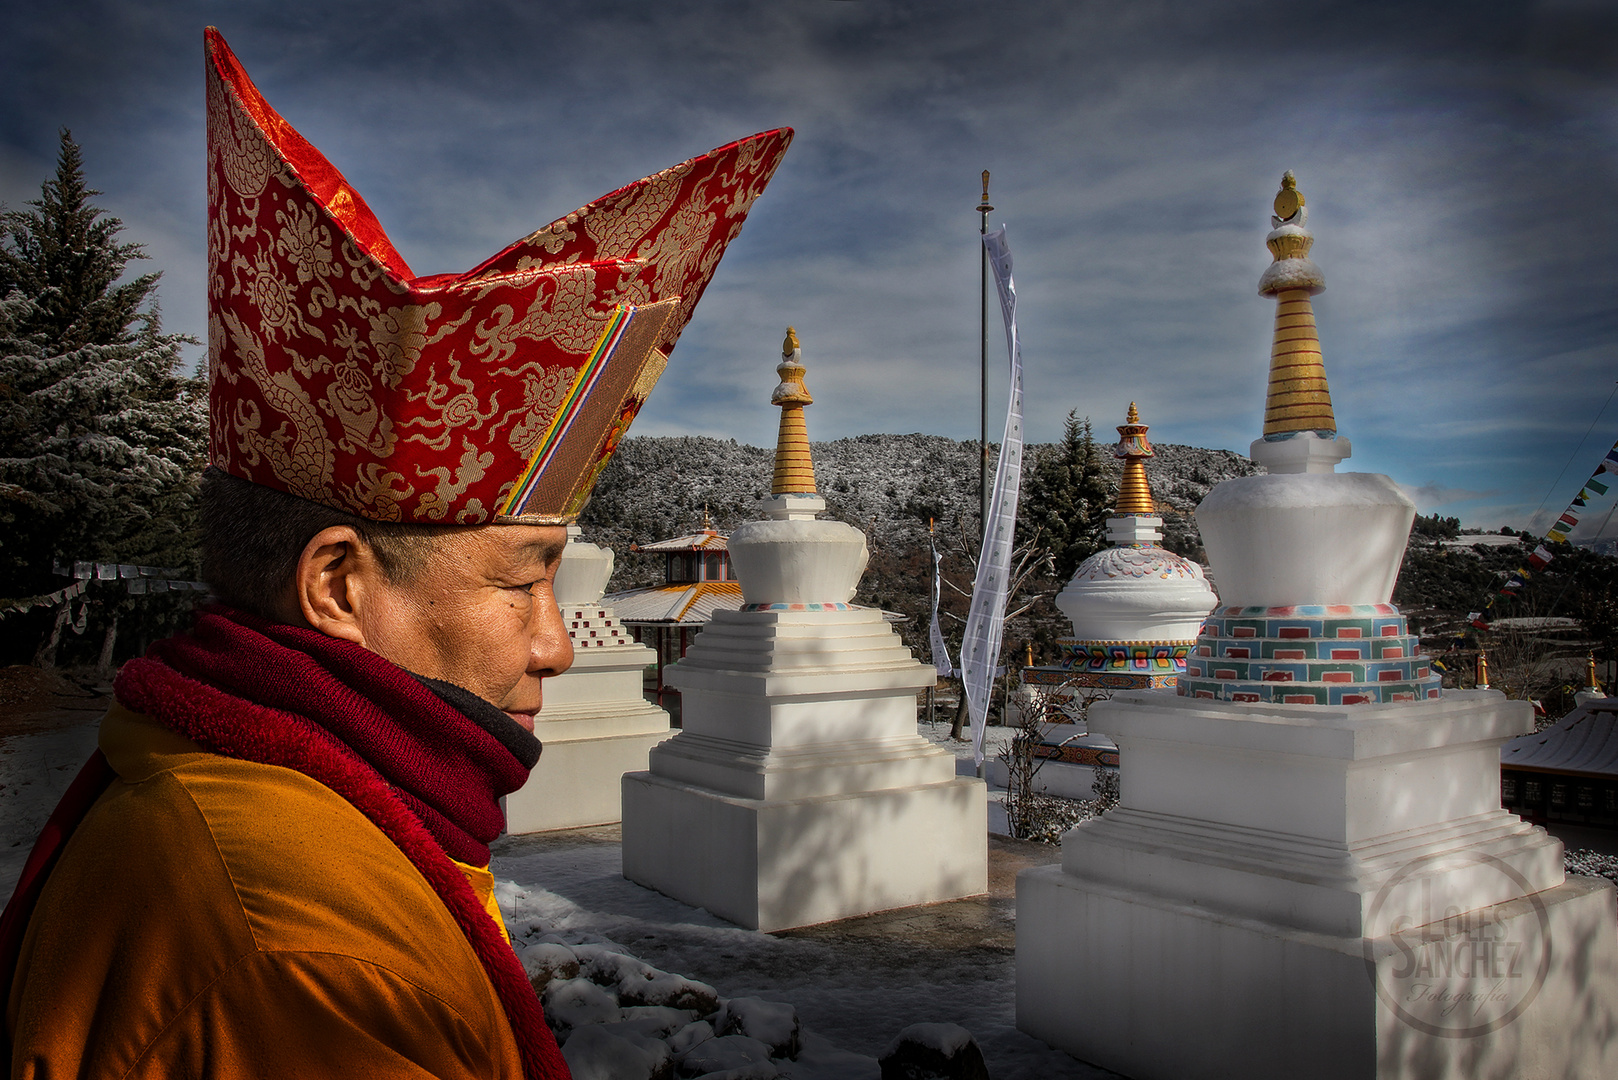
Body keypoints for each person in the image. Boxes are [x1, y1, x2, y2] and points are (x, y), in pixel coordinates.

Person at [1, 28, 791, 1079]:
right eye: (521, 582)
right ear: (336, 583)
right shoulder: (300, 947)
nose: (558, 646)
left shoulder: (254, 801)